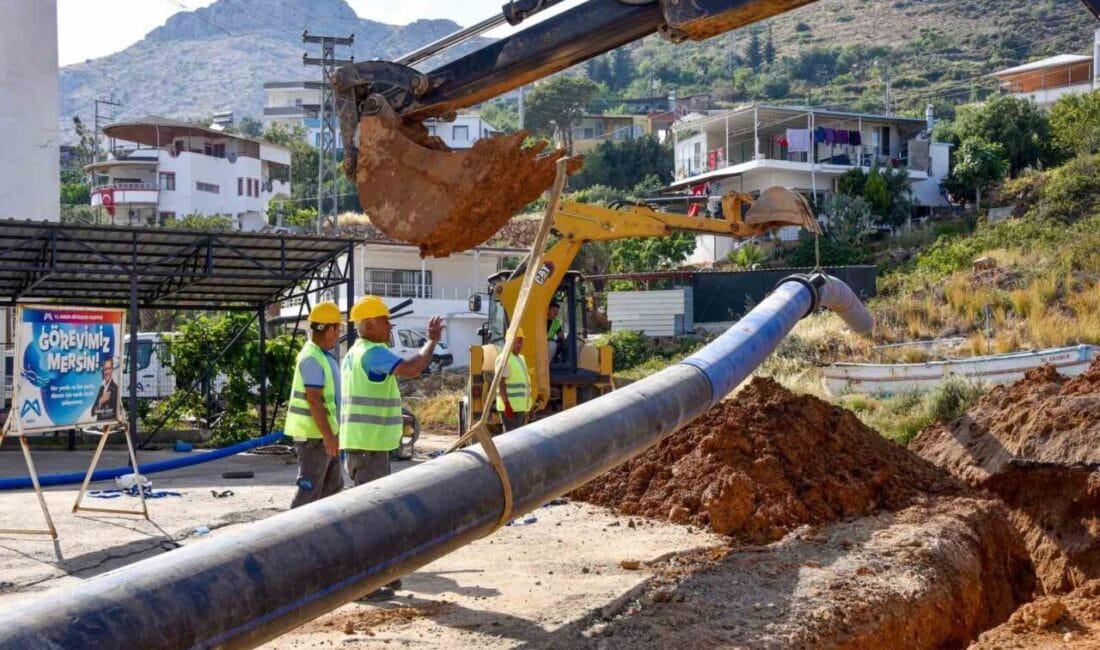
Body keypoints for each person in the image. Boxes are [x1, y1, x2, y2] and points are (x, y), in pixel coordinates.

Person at [341, 295, 443, 600]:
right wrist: (431, 341)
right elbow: (413, 368)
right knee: (370, 518)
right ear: (370, 324)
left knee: (377, 514)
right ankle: (363, 585)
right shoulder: (373, 353)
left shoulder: (355, 353)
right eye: (386, 320)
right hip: (368, 447)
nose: (391, 326)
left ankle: (383, 572)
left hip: (366, 446)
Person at [286, 302, 344, 509]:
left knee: (332, 487)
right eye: (338, 328)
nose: (339, 333)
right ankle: (293, 527)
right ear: (330, 330)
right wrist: (328, 436)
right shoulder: (312, 358)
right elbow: (314, 399)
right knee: (309, 492)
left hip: (323, 435)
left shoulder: (321, 356)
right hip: (314, 437)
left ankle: (324, 527)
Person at [495, 327, 532, 432]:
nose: (517, 345)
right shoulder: (504, 359)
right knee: (510, 438)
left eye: (519, 342)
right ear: (508, 342)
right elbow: (501, 383)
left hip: (520, 408)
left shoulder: (521, 358)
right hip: (510, 408)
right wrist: (507, 405)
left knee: (518, 437)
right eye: (514, 342)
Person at [91, 357, 119, 422]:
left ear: (112, 369)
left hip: (108, 425)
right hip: (99, 424)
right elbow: (92, 413)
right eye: (105, 369)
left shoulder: (115, 388)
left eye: (108, 368)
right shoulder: (102, 388)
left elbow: (114, 412)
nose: (106, 372)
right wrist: (100, 402)